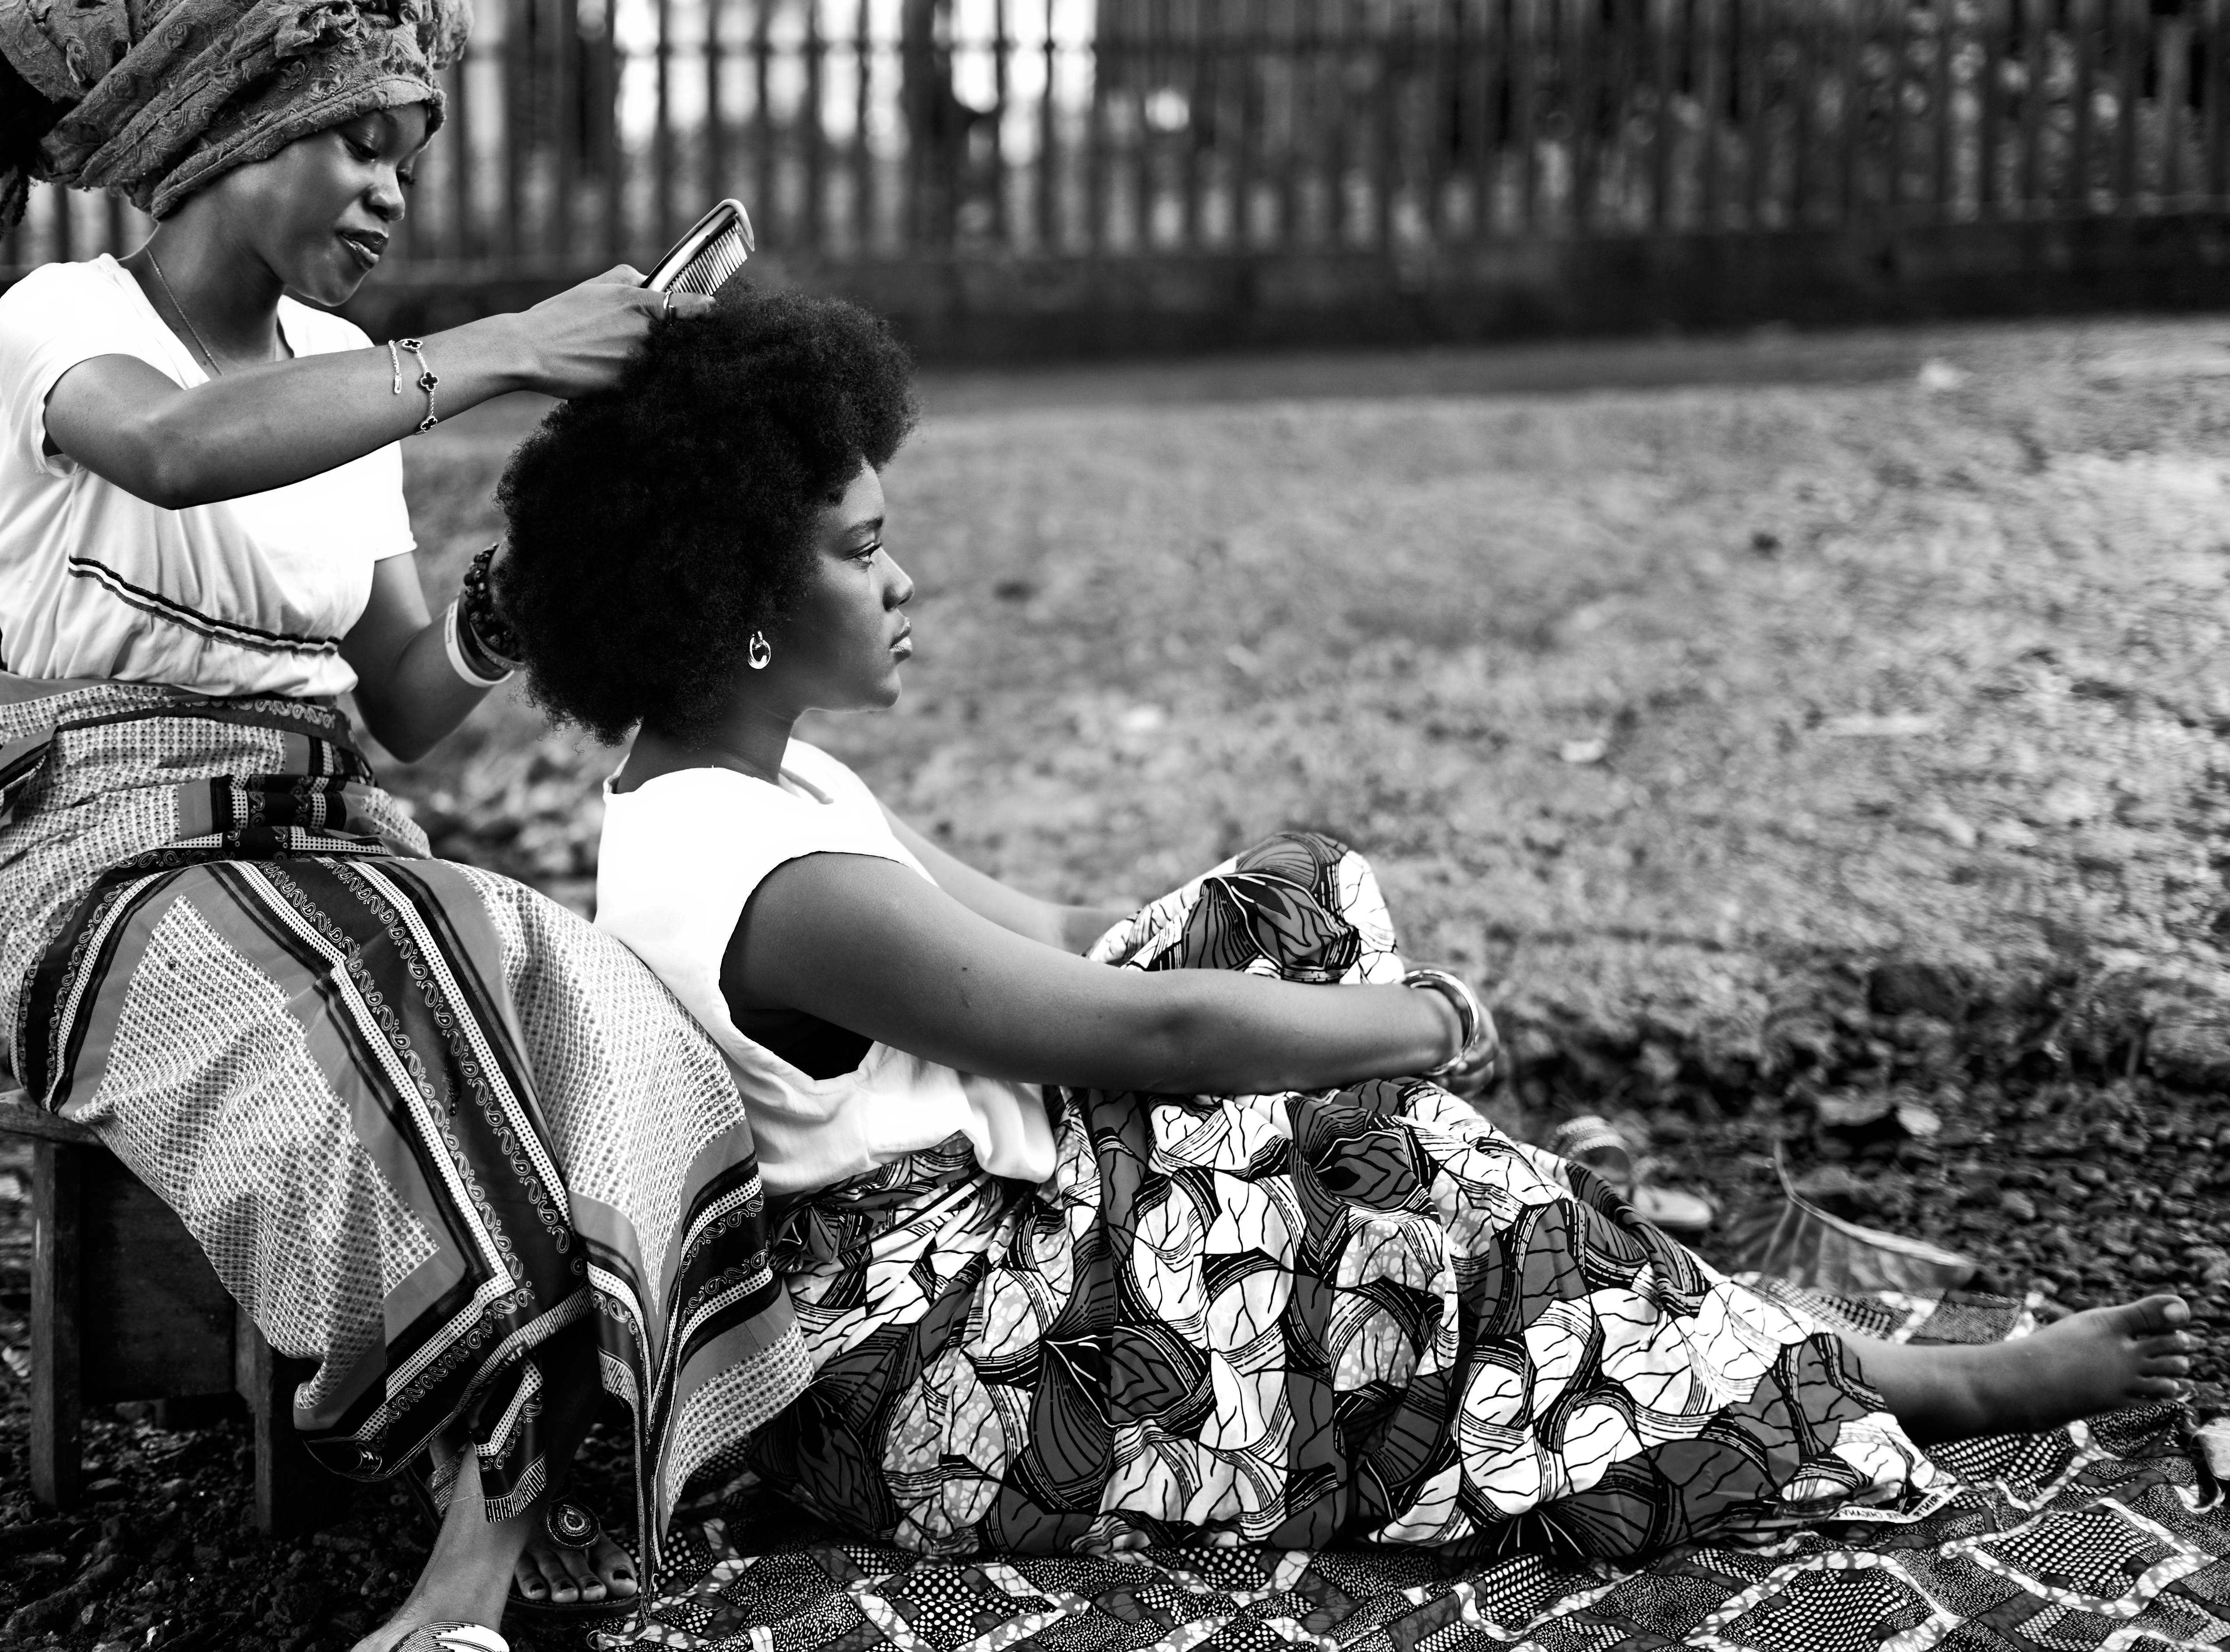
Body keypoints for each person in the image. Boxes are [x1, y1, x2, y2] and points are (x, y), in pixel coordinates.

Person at [496, 287, 2198, 1559]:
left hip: (1001, 1207)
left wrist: (1302, 1003)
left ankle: (1529, 1239)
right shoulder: (764, 880)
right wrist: (1422, 1029)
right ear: (738, 613)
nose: (907, 582)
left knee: (1295, 906)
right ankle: (1881, 1386)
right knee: (1426, 1201)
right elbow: (1130, 1031)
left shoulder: (746, 785)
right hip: (936, 1361)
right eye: (865, 554)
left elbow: (1082, 935)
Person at [0, 0, 808, 1649]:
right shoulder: (67, 315)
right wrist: (502, 349)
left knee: (585, 995)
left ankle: (663, 1431)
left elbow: (404, 701)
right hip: (117, 867)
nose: (391, 192)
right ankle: (471, 1557)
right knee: (352, 1032)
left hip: (333, 832)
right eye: (355, 139)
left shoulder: (348, 378)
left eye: (409, 155)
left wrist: (520, 578)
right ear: (230, 123)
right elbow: (175, 452)